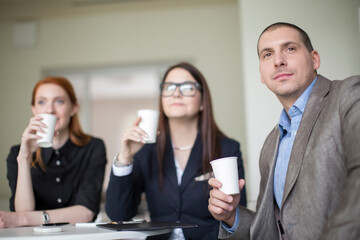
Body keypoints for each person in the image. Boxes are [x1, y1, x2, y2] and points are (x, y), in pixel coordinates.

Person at [208, 22, 360, 240]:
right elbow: (269, 228)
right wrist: (232, 216)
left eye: (290, 48)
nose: (278, 61)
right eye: (267, 54)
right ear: (262, 74)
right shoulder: (271, 144)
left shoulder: (348, 96)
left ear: (314, 58)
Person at [105, 62, 247, 240]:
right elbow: (118, 215)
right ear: (162, 99)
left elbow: (235, 219)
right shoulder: (146, 151)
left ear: (203, 102)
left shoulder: (227, 149)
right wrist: (125, 158)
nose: (176, 93)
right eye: (169, 87)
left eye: (188, 88)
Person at [1, 77, 107, 228]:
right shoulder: (17, 153)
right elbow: (22, 212)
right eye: (42, 102)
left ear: (74, 108)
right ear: (34, 109)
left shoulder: (93, 148)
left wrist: (24, 219)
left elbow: (85, 212)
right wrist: (24, 158)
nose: (50, 110)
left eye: (59, 101)